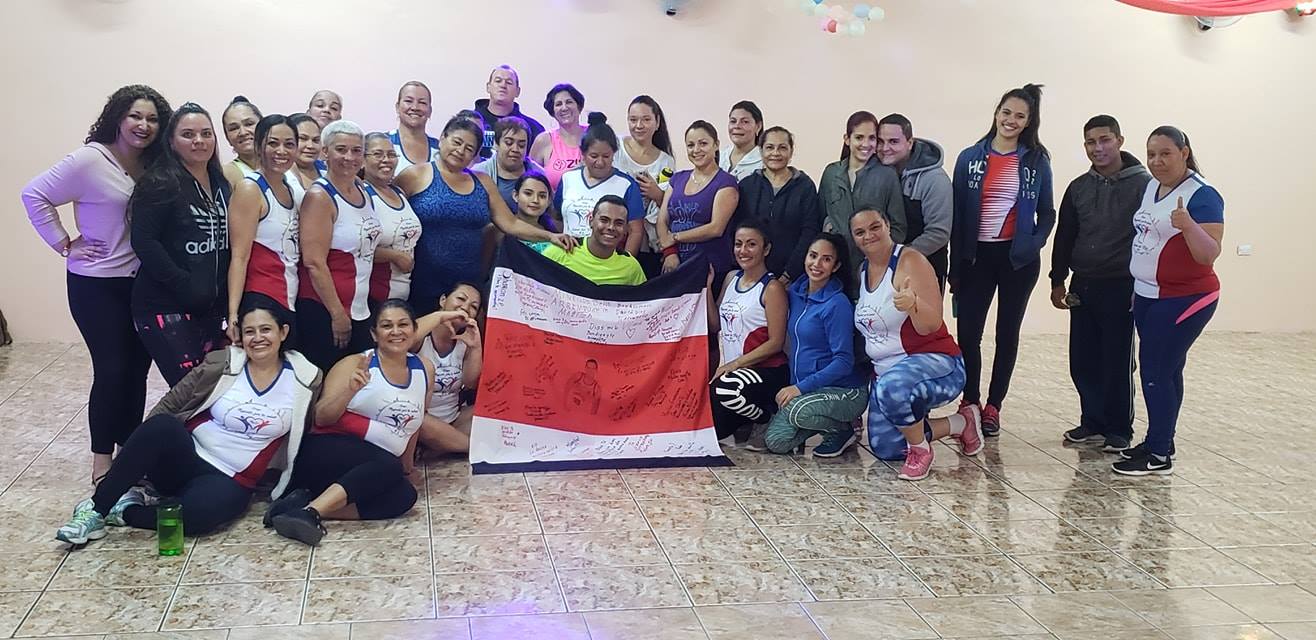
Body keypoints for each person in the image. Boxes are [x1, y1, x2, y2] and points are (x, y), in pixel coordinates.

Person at [55, 299, 322, 544]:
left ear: (283, 333)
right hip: (186, 455)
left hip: (231, 478)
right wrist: (141, 456)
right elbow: (171, 404)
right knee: (162, 425)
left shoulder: (306, 379)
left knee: (200, 517)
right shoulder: (222, 363)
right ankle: (96, 510)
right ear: (240, 336)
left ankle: (126, 512)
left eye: (266, 330)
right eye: (249, 331)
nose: (258, 338)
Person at [22, 84, 171, 484]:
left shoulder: (155, 163)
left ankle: (127, 452)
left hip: (141, 284)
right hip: (96, 285)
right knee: (112, 369)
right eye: (135, 116)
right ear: (118, 118)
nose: (143, 125)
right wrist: (63, 242)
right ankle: (101, 461)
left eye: (153, 119)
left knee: (137, 370)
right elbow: (34, 194)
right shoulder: (89, 160)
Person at [268, 300, 434, 546]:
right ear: (374, 334)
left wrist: (407, 468)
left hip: (375, 465)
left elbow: (414, 422)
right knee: (389, 465)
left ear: (414, 329)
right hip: (326, 451)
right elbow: (321, 417)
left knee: (404, 496)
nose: (396, 331)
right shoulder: (354, 363)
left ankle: (301, 507)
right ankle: (309, 514)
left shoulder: (425, 368)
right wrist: (350, 390)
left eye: (403, 325)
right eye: (387, 326)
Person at [1113, 127, 1224, 476]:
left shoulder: (1202, 195)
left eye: (1165, 154)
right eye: (1151, 154)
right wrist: (1140, 286)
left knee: (1155, 371)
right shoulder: (1152, 187)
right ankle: (1161, 440)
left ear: (1184, 153)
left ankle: (1158, 454)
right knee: (1167, 370)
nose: (1157, 161)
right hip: (1149, 294)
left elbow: (1208, 255)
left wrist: (1188, 225)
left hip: (1186, 297)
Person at [950, 84, 1055, 437]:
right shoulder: (970, 158)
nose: (1011, 120)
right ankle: (970, 400)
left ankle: (994, 405)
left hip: (1017, 261)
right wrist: (955, 266)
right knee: (969, 333)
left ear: (1028, 122)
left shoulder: (1036, 161)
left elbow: (1047, 212)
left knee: (1006, 334)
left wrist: (1034, 243)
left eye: (1020, 116)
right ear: (996, 113)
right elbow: (957, 215)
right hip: (976, 257)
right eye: (1006, 112)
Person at [396, 115, 573, 315]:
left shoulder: (483, 181)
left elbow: (510, 223)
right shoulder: (414, 175)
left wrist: (550, 236)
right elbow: (389, 210)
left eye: (469, 148)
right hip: (422, 278)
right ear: (443, 138)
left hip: (468, 284)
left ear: (476, 154)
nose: (461, 151)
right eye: (457, 142)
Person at [849, 209, 979, 480]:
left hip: (938, 364)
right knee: (887, 447)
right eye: (860, 232)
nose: (868, 235)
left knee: (892, 388)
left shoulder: (910, 261)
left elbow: (930, 325)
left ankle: (920, 451)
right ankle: (961, 422)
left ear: (888, 226)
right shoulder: (863, 270)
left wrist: (913, 304)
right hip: (888, 375)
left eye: (875, 227)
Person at [1050, 115, 1150, 453]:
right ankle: (1092, 421)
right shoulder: (1078, 187)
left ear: (1119, 140)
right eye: (1091, 142)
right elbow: (1065, 235)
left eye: (1105, 140)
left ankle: (1119, 429)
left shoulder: (1144, 186)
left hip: (1123, 286)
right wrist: (1057, 279)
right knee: (1083, 360)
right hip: (1083, 284)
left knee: (1117, 361)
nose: (1098, 148)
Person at [129, 102, 231, 386]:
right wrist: (185, 284)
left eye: (206, 133)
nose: (199, 140)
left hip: (209, 308)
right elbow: (144, 241)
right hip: (166, 306)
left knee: (211, 388)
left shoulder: (220, 183)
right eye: (188, 134)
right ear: (171, 142)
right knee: (192, 389)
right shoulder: (159, 182)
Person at [762, 233, 867, 456]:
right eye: (813, 255)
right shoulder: (795, 293)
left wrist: (799, 388)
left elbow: (844, 361)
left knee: (797, 411)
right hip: (810, 391)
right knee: (776, 442)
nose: (817, 264)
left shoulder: (837, 304)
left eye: (826, 259)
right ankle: (820, 422)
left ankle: (842, 430)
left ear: (836, 266)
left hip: (845, 391)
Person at [295, 120, 381, 371]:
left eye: (356, 151)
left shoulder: (363, 190)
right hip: (326, 310)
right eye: (341, 149)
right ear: (325, 152)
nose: (349, 157)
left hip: (360, 307)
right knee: (329, 381)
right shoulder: (319, 197)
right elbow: (313, 262)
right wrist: (337, 314)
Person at [225, 114, 302, 349]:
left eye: (289, 144)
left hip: (289, 294)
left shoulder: (290, 186)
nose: (281, 151)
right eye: (273, 143)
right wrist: (233, 314)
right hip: (261, 297)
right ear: (258, 147)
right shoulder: (250, 188)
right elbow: (239, 256)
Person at [708, 221, 788, 446]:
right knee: (710, 427)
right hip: (733, 372)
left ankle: (766, 418)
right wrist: (707, 288)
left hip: (766, 371)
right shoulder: (731, 278)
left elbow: (776, 342)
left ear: (766, 249)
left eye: (751, 244)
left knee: (725, 389)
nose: (743, 250)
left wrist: (734, 365)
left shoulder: (772, 288)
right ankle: (745, 420)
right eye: (738, 244)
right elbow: (716, 326)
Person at [818, 110, 907, 281]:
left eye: (872, 138)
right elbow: (820, 216)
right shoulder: (831, 173)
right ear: (847, 139)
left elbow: (899, 227)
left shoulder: (887, 175)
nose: (866, 144)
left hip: (873, 269)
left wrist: (877, 254)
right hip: (835, 268)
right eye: (859, 137)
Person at [733, 126, 822, 283]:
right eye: (769, 147)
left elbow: (809, 231)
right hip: (751, 275)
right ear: (761, 151)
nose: (775, 153)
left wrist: (789, 274)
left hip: (792, 277)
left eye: (782, 148)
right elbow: (737, 230)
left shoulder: (804, 186)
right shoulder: (747, 185)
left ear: (791, 152)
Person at [657, 121, 740, 287]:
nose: (696, 150)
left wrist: (675, 237)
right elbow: (662, 220)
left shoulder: (726, 182)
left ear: (716, 145)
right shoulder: (677, 179)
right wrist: (669, 253)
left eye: (703, 143)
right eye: (690, 145)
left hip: (710, 268)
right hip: (674, 266)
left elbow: (716, 228)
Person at [876, 113, 952, 291]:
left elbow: (939, 233)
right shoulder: (876, 172)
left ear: (910, 143)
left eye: (893, 142)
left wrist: (899, 258)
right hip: (882, 270)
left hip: (926, 267)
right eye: (880, 141)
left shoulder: (935, 180)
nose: (885, 148)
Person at [415, 283, 483, 455]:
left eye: (473, 307)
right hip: (423, 422)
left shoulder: (465, 341)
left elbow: (470, 383)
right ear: (443, 300)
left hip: (454, 419)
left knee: (493, 411)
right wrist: (441, 317)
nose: (465, 307)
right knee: (416, 419)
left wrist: (476, 347)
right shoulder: (423, 337)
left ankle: (441, 447)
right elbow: (407, 336)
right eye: (460, 299)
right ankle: (476, 449)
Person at [613, 95, 676, 276]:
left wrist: (656, 193)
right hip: (613, 231)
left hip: (647, 241)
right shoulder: (616, 146)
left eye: (646, 119)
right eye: (633, 120)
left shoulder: (665, 161)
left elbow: (667, 204)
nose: (639, 125)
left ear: (657, 123)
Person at [362, 132, 423, 306]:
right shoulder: (361, 194)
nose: (386, 160)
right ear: (363, 159)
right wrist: (394, 256)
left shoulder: (399, 192)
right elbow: (355, 247)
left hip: (403, 293)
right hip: (374, 294)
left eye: (391, 154)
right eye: (378, 154)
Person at [541, 196, 646, 286]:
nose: (611, 227)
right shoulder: (561, 251)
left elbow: (643, 300)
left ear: (626, 229)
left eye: (619, 223)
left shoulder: (631, 266)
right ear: (590, 221)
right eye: (604, 220)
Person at [473, 116, 546, 213]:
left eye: (521, 145)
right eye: (509, 143)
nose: (515, 149)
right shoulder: (478, 173)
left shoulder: (540, 174)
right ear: (496, 144)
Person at [473, 65, 544, 159]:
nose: (503, 85)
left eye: (509, 82)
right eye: (498, 81)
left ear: (517, 91)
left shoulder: (533, 128)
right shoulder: (470, 122)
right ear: (488, 87)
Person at [529, 83, 585, 189]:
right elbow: (530, 182)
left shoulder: (594, 134)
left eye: (569, 102)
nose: (564, 108)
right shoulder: (543, 141)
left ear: (579, 106)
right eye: (558, 104)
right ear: (553, 112)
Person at [389, 81, 438, 175]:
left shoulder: (440, 150)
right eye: (408, 101)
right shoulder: (384, 143)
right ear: (397, 107)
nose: (415, 107)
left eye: (422, 102)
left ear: (430, 111)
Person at [220, 96, 262, 188]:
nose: (243, 132)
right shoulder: (226, 174)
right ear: (227, 137)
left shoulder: (284, 163)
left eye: (249, 124)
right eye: (234, 128)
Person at [720, 100, 764, 180]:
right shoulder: (719, 157)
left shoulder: (764, 161)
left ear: (758, 126)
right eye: (733, 121)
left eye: (745, 122)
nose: (737, 126)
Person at [286, 113, 323, 194]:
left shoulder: (327, 170)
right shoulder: (277, 174)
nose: (310, 146)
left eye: (315, 140)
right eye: (303, 138)